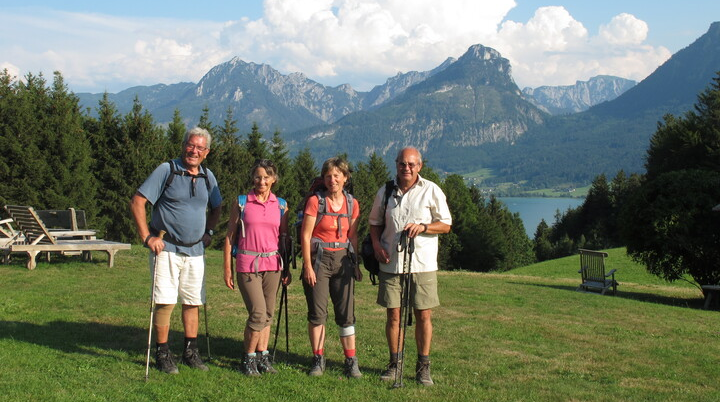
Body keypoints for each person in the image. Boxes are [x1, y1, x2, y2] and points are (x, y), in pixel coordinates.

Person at [130, 126, 222, 374]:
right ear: (183, 146)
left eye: (200, 148)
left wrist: (209, 233)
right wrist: (147, 237)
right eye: (190, 145)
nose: (194, 151)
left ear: (207, 152)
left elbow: (217, 207)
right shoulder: (166, 170)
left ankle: (190, 352)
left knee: (193, 302)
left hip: (195, 251)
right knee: (165, 301)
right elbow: (138, 201)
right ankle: (162, 353)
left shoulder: (207, 176)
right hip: (166, 248)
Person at [368, 147, 451, 386]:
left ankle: (423, 367)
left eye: (412, 164)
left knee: (423, 314)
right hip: (390, 263)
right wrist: (376, 245)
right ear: (396, 165)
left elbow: (445, 225)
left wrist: (424, 227)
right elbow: (374, 223)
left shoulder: (431, 190)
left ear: (420, 166)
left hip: (422, 264)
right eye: (403, 164)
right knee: (393, 315)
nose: (407, 168)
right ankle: (395, 364)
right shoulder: (385, 191)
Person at [223, 159, 291, 376]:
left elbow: (284, 238)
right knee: (258, 313)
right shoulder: (242, 203)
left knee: (268, 314)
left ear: (273, 179)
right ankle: (248, 358)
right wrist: (227, 268)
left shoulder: (281, 205)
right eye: (258, 177)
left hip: (273, 264)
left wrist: (287, 268)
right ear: (252, 178)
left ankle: (262, 356)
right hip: (247, 264)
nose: (261, 181)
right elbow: (229, 236)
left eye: (266, 177)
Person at [300, 157, 363, 378]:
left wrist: (356, 265)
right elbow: (305, 236)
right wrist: (307, 266)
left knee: (346, 314)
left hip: (344, 260)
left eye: (337, 175)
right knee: (317, 313)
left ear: (345, 178)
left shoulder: (352, 204)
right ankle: (318, 358)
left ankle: (350, 360)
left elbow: (353, 237)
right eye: (328, 176)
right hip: (319, 260)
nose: (332, 180)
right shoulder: (315, 202)